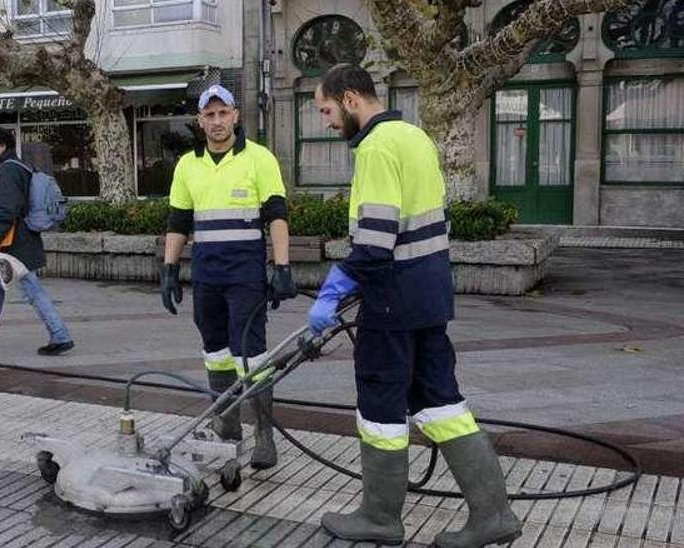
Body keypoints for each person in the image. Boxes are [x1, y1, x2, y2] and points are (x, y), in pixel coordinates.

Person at [309, 63, 520, 547]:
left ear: (350, 99)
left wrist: (333, 290)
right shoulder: (415, 136)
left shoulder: (378, 147)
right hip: (429, 296)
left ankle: (380, 517)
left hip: (391, 303)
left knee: (380, 407)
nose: (325, 121)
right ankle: (494, 514)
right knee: (441, 403)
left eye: (325, 110)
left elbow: (377, 239)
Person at [160, 85, 297, 470]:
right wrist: (170, 268)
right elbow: (178, 221)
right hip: (207, 274)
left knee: (252, 356)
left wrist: (282, 267)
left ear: (236, 116)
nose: (217, 122)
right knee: (216, 354)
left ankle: (265, 436)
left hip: (245, 275)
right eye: (210, 115)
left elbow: (277, 214)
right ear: (200, 120)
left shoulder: (259, 159)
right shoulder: (188, 165)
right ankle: (229, 428)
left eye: (223, 114)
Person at [0, 127, 74, 356]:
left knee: (32, 290)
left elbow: (7, 209)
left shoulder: (9, 170)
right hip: (18, 239)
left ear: (2, 146)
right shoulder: (17, 166)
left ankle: (60, 335)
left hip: (15, 243)